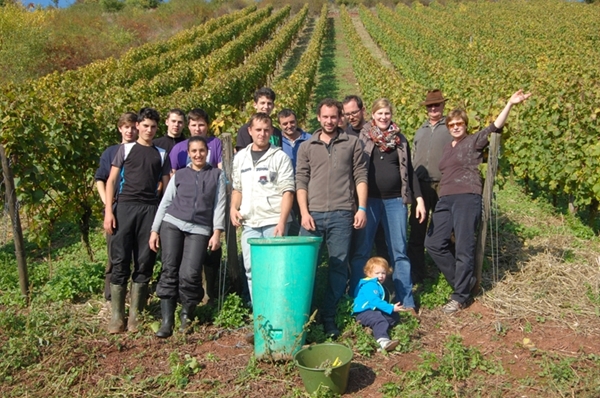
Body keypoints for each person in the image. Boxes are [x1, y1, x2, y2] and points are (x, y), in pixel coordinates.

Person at [425, 89, 532, 314]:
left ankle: (460, 296)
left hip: (467, 197)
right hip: (445, 198)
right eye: (452, 124)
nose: (455, 127)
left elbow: (495, 126)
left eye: (459, 124)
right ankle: (465, 282)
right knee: (433, 243)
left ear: (465, 125)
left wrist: (510, 104)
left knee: (464, 246)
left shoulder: (473, 141)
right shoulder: (447, 147)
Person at [296, 98, 368, 337]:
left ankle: (328, 315)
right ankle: (302, 316)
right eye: (325, 117)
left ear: (340, 118)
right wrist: (304, 212)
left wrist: (362, 208)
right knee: (305, 267)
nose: (329, 121)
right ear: (318, 117)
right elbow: (301, 181)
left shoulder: (352, 143)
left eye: (333, 117)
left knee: (338, 267)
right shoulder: (307, 146)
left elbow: (360, 176)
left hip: (341, 213)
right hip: (312, 215)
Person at [349, 99, 425, 315]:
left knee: (399, 252)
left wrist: (418, 198)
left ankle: (406, 301)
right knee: (362, 250)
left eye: (387, 113)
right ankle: (358, 298)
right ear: (372, 115)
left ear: (391, 115)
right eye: (379, 113)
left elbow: (409, 171)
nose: (383, 117)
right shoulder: (363, 139)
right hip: (369, 202)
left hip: (395, 202)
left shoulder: (400, 140)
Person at [150, 136, 226, 338]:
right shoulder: (180, 174)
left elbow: (220, 205)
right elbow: (165, 203)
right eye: (194, 151)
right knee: (169, 270)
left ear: (207, 152)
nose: (198, 154)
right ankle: (167, 321)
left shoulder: (217, 175)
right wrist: (154, 230)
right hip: (172, 224)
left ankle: (186, 316)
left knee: (190, 273)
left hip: (200, 228)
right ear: (189, 153)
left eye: (202, 150)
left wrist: (217, 232)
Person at [103, 107, 171, 334]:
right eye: (145, 126)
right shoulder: (125, 149)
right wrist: (109, 211)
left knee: (145, 259)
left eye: (153, 127)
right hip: (124, 207)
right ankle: (116, 317)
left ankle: (135, 316)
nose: (149, 130)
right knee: (120, 258)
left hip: (149, 210)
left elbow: (166, 188)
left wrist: (160, 219)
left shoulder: (161, 154)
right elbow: (112, 181)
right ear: (138, 126)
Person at [231, 113, 295, 303]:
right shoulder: (240, 157)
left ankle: (276, 309)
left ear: (272, 132)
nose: (262, 134)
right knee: (251, 269)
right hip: (250, 222)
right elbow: (237, 188)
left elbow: (288, 192)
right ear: (250, 131)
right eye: (258, 130)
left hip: (273, 221)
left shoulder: (280, 157)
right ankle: (260, 310)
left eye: (266, 130)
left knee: (275, 269)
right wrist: (234, 208)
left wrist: (282, 223)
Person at [170, 108, 223, 304]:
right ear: (188, 126)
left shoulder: (216, 144)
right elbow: (174, 178)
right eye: (193, 125)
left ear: (207, 126)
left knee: (211, 249)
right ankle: (188, 291)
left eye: (201, 124)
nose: (198, 128)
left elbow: (220, 172)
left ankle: (210, 291)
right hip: (185, 209)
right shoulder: (179, 149)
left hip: (209, 206)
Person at [407, 90, 453, 284]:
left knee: (448, 229)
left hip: (443, 185)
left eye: (437, 105)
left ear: (443, 106)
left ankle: (449, 270)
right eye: (430, 106)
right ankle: (418, 272)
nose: (433, 108)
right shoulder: (421, 129)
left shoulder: (450, 128)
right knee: (417, 228)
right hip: (421, 186)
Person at [94, 112, 138, 302]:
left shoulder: (144, 150)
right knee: (115, 254)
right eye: (126, 127)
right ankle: (112, 297)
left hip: (137, 209)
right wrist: (107, 204)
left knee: (137, 254)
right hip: (116, 209)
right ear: (120, 128)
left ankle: (135, 297)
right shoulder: (110, 152)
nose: (130, 131)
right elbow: (100, 180)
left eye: (133, 127)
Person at [353, 257, 403, 352]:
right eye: (377, 273)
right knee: (379, 320)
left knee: (393, 316)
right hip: (364, 312)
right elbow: (375, 301)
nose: (381, 276)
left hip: (372, 311)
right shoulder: (370, 285)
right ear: (369, 273)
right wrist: (391, 307)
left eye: (383, 273)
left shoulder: (376, 284)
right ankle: (383, 342)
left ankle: (375, 328)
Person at [278, 108, 311, 236]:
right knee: (289, 220)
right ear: (280, 125)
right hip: (286, 188)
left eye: (292, 122)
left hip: (306, 186)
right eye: (285, 124)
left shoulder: (309, 139)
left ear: (297, 121)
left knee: (306, 217)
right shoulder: (277, 142)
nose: (289, 126)